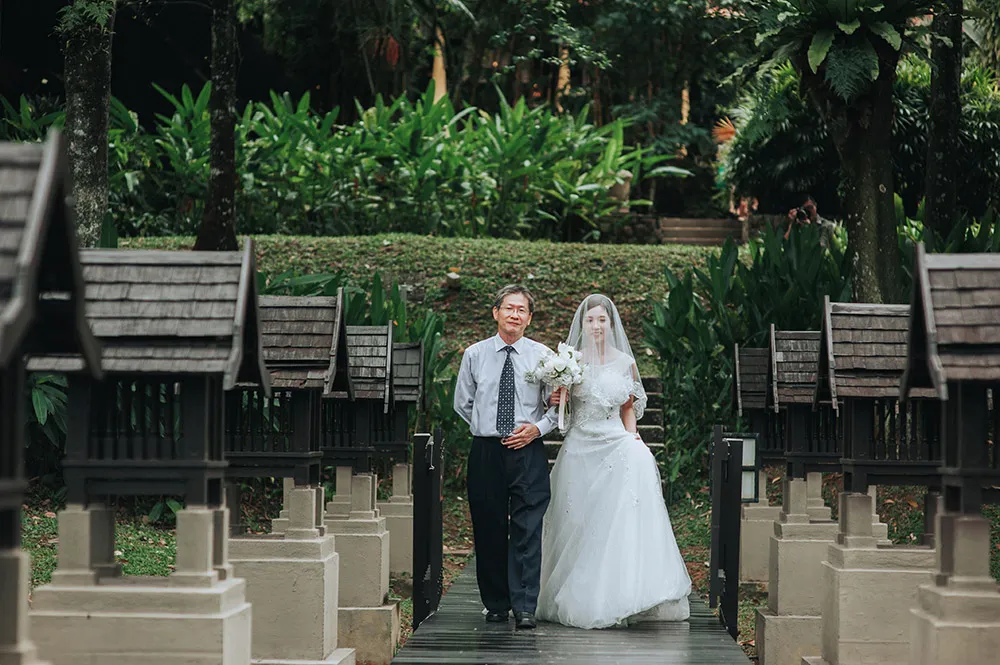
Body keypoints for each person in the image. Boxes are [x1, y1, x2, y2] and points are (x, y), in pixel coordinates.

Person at [536, 294, 692, 629]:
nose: (595, 325)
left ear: (611, 323)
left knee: (619, 508)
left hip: (613, 439)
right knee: (577, 519)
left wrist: (632, 435)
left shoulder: (625, 362)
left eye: (601, 320)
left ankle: (622, 592)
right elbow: (560, 408)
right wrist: (559, 394)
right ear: (582, 324)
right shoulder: (570, 361)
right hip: (580, 443)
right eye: (590, 320)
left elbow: (627, 408)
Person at [453, 284, 557, 630]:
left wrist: (536, 429)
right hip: (486, 452)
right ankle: (496, 603)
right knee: (489, 526)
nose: (515, 315)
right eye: (509, 308)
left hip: (527, 450)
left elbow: (555, 407)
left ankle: (525, 605)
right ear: (496, 312)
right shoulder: (475, 354)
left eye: (522, 310)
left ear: (529, 318)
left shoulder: (544, 357)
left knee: (528, 528)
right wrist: (488, 430)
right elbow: (463, 403)